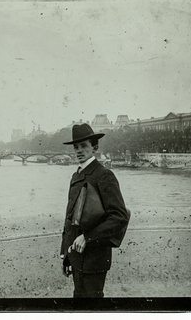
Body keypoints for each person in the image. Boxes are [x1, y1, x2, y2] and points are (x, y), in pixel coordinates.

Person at [60, 123, 130, 298]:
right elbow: (70, 219)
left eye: (84, 146)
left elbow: (119, 216)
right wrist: (66, 254)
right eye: (76, 147)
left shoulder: (104, 175)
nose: (79, 150)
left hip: (95, 257)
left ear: (95, 147)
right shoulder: (76, 176)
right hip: (76, 255)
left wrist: (87, 237)